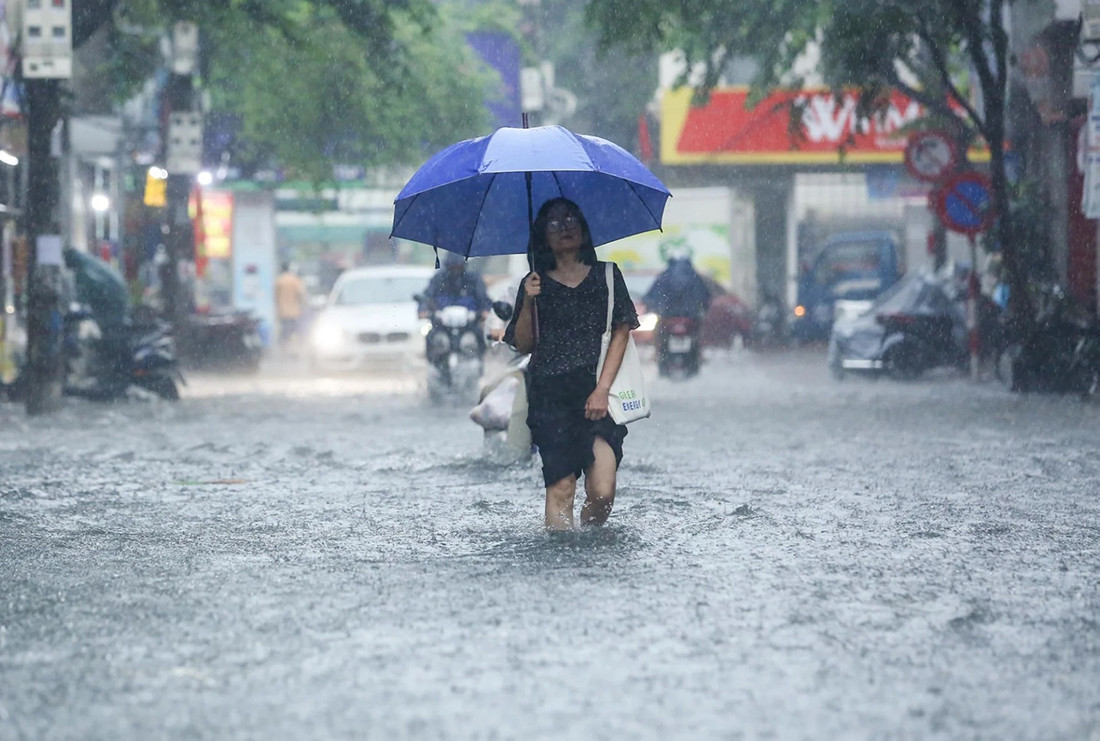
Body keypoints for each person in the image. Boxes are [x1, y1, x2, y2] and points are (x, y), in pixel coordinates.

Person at [503, 197, 639, 530]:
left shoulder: (607, 276)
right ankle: (561, 560)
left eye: (571, 218)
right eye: (553, 222)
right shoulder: (533, 283)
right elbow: (523, 344)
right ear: (542, 235)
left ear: (583, 226)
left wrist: (602, 390)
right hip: (550, 398)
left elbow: (622, 330)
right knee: (562, 489)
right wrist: (527, 302)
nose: (564, 226)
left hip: (597, 393)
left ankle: (590, 543)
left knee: (603, 492)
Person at [642, 245, 712, 364]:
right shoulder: (695, 276)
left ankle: (657, 353)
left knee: (658, 331)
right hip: (691, 315)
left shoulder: (663, 276)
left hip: (667, 315)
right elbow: (706, 296)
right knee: (698, 331)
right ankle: (700, 353)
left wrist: (651, 307)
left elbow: (651, 296)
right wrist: (703, 309)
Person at [418, 251, 492, 318]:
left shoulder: (472, 279)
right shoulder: (439, 279)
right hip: (441, 323)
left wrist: (485, 310)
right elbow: (428, 296)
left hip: (470, 323)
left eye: (458, 267)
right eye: (452, 268)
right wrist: (423, 309)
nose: (455, 271)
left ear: (463, 266)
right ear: (448, 267)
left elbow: (483, 298)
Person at [274, 262, 307, 350]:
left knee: (285, 333)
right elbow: (301, 294)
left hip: (283, 312)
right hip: (295, 312)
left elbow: (276, 296)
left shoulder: (279, 280)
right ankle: (295, 349)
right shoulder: (295, 279)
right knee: (296, 332)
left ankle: (284, 349)